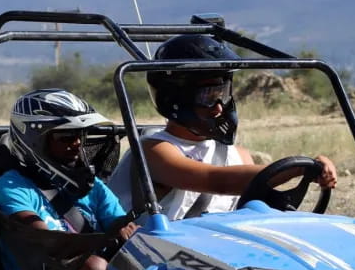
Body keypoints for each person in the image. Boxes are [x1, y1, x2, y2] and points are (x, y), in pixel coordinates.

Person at [108, 34, 337, 220]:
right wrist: (298, 168)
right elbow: (216, 180)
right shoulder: (153, 151)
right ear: (175, 98)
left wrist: (314, 168)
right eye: (207, 96)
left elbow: (255, 205)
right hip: (152, 255)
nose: (219, 107)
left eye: (223, 93)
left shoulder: (238, 156)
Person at [0, 89, 137, 270]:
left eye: (80, 134)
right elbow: (46, 239)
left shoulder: (89, 184)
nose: (77, 143)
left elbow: (123, 226)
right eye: (66, 136)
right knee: (94, 268)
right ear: (34, 141)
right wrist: (105, 240)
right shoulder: (10, 186)